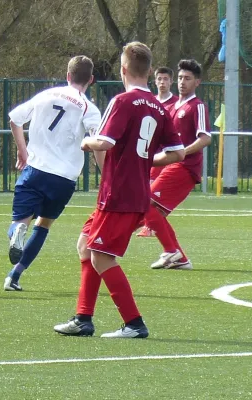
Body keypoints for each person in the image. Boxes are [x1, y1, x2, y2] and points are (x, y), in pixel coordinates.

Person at [54, 42, 185, 338]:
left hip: (119, 193)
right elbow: (177, 154)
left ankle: (134, 323)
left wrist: (86, 142)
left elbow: (104, 143)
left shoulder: (123, 101)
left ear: (123, 70)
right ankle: (83, 318)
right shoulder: (159, 108)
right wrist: (147, 160)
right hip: (135, 192)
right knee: (86, 243)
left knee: (100, 255)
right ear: (150, 71)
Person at [4, 55, 102, 291]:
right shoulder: (90, 108)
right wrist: (106, 173)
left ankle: (18, 232)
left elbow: (14, 120)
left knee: (20, 222)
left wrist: (22, 152)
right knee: (44, 225)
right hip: (64, 178)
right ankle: (14, 276)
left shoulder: (45, 95)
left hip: (35, 170)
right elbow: (97, 141)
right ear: (91, 80)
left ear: (67, 76)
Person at [144, 59, 211, 270]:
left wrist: (182, 153)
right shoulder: (172, 107)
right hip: (169, 166)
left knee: (144, 204)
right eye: (181, 78)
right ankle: (178, 257)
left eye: (187, 78)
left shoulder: (197, 106)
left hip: (185, 167)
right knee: (149, 210)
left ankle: (173, 252)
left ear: (197, 82)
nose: (182, 82)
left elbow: (205, 138)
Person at [137, 66, 179, 237]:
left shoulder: (176, 103)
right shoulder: (150, 102)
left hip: (166, 156)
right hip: (149, 154)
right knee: (147, 193)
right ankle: (148, 224)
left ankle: (150, 226)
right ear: (154, 81)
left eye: (166, 79)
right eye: (159, 79)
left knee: (152, 196)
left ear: (171, 81)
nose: (162, 82)